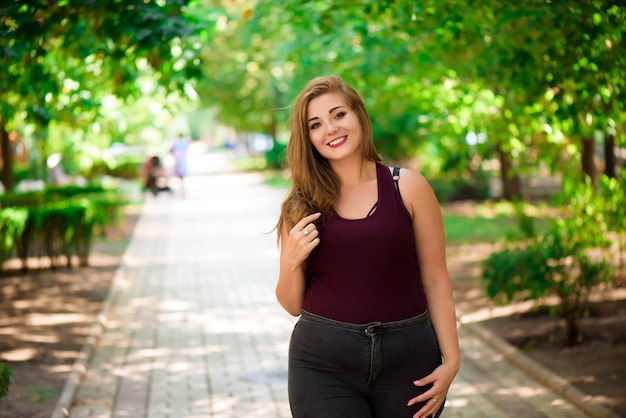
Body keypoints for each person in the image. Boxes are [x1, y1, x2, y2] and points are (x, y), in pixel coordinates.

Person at [275, 75, 460, 418]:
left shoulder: (408, 187)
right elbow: (291, 304)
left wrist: (452, 361)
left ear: (359, 115)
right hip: (322, 366)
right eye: (316, 124)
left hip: (410, 361)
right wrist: (290, 261)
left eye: (338, 115)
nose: (330, 129)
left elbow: (435, 278)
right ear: (309, 138)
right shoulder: (300, 206)